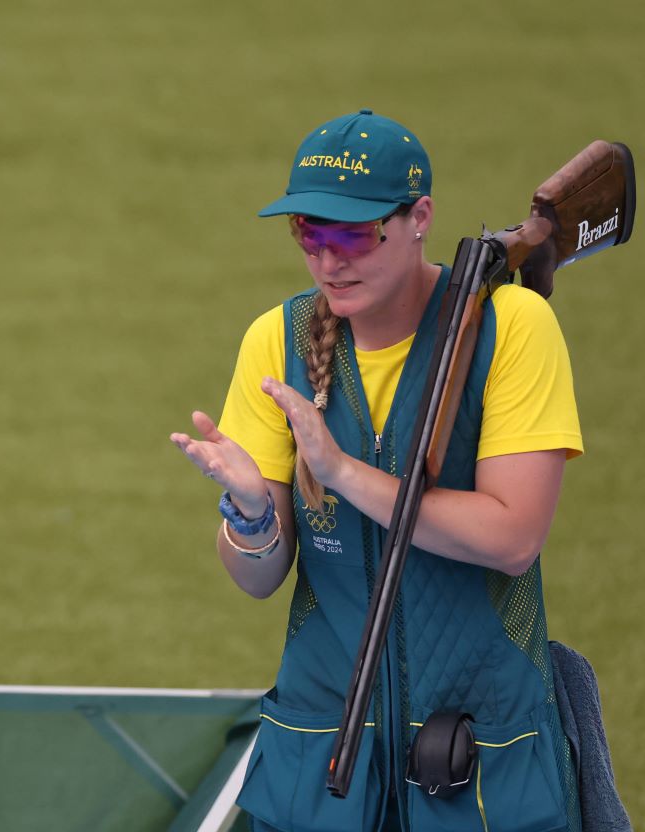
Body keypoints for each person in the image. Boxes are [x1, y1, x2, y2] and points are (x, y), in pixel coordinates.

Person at [170, 110, 584, 831]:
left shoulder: (512, 326)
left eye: (355, 233)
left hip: (480, 763)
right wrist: (251, 516)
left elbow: (512, 536)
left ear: (419, 217)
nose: (331, 259)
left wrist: (341, 472)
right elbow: (259, 578)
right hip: (324, 756)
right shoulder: (278, 337)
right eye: (310, 233)